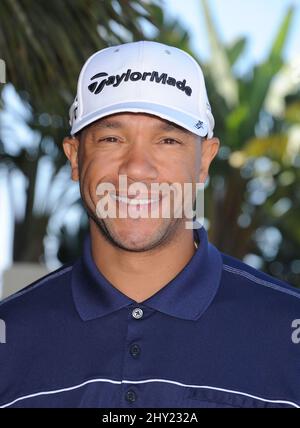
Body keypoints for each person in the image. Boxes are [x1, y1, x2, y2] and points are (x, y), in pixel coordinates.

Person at [0, 41, 299, 409]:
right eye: (112, 138)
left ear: (204, 161)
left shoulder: (288, 334)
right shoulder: (9, 339)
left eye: (168, 140)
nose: (137, 168)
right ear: (75, 157)